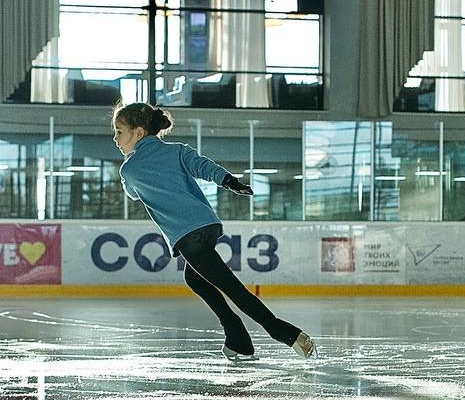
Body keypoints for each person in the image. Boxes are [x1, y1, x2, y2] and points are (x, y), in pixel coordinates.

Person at [112, 101, 315, 362]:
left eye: (119, 131)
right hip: (207, 226)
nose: (115, 138)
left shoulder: (129, 169)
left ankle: (289, 335)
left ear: (138, 133)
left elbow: (133, 195)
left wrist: (133, 162)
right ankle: (237, 338)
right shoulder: (176, 151)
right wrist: (229, 181)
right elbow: (203, 166)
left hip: (188, 237)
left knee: (233, 290)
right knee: (195, 279)